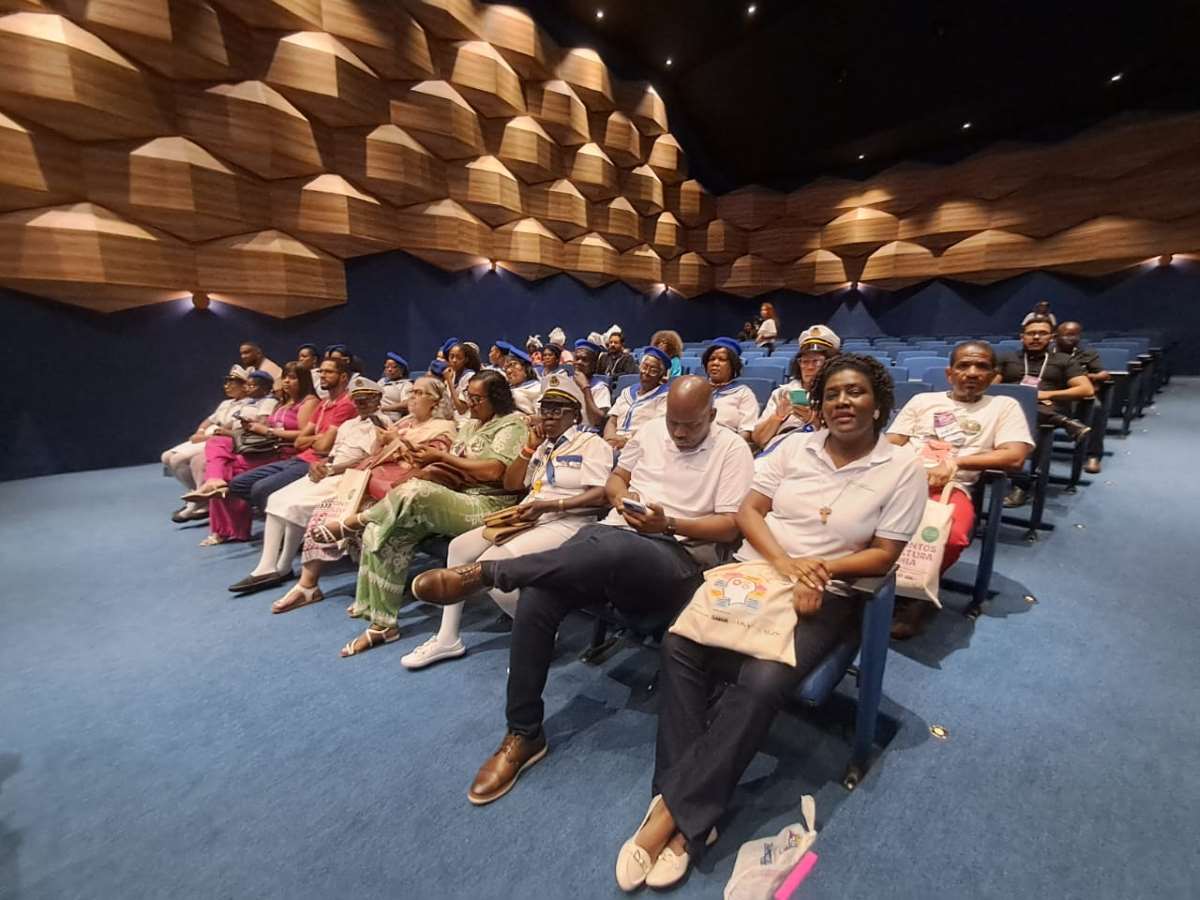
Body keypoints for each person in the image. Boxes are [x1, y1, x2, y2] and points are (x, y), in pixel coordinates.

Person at [613, 355, 926, 892]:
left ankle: (673, 817)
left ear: (878, 401)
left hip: (827, 591)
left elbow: (882, 554)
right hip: (760, 572)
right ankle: (689, 806)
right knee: (681, 644)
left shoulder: (901, 469)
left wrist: (818, 569)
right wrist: (785, 564)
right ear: (819, 404)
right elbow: (749, 513)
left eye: (855, 393)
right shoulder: (794, 448)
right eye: (832, 395)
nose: (843, 403)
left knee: (762, 679)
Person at [411, 376, 756, 806]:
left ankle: (492, 572)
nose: (680, 433)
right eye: (673, 423)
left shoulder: (732, 449)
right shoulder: (651, 431)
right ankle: (524, 733)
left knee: (604, 547)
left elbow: (730, 525)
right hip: (615, 536)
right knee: (540, 593)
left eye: (691, 424)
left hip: (678, 556)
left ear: (714, 415)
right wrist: (624, 500)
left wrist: (665, 523)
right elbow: (616, 480)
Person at [401, 372, 614, 668]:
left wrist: (550, 505)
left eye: (557, 410)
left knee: (491, 570)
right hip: (529, 516)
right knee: (459, 548)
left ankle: (539, 631)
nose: (548, 417)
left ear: (575, 414)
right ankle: (447, 637)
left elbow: (601, 495)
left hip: (570, 520)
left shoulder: (591, 444)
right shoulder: (542, 446)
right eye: (545, 410)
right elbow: (514, 484)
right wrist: (528, 449)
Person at [313, 370, 528, 657]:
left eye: (477, 399)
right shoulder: (469, 425)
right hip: (458, 496)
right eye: (469, 397)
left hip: (490, 505)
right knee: (386, 532)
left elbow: (495, 471)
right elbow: (457, 466)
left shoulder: (512, 424)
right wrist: (421, 457)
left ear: (497, 398)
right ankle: (382, 624)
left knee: (416, 491)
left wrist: (440, 457)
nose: (471, 404)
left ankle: (356, 520)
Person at [271, 376, 459, 614]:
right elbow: (373, 456)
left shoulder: (444, 426)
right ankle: (307, 584)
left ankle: (375, 586)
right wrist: (386, 444)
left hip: (407, 488)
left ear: (434, 400)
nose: (412, 397)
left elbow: (431, 465)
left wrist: (398, 443)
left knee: (366, 519)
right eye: (411, 392)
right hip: (373, 482)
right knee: (329, 509)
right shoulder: (403, 424)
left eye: (419, 393)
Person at [886, 341, 1034, 637]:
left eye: (981, 367)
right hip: (901, 480)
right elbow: (892, 443)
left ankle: (916, 592)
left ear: (993, 375)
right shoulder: (922, 401)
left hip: (951, 488)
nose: (972, 372)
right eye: (964, 366)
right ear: (949, 372)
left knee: (950, 537)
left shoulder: (1003, 407)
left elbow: (1015, 455)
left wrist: (955, 462)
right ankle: (873, 584)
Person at [228, 376, 388, 594]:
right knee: (276, 499)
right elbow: (333, 453)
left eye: (366, 400)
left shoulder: (384, 424)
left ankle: (280, 566)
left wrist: (332, 469)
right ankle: (272, 566)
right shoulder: (348, 425)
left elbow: (371, 459)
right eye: (357, 400)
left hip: (351, 478)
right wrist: (320, 465)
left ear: (378, 399)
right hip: (329, 471)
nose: (361, 404)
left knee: (294, 506)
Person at [199, 362, 319, 546]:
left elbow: (303, 435)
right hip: (267, 448)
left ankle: (226, 523)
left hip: (284, 453)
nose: (286, 381)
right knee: (217, 448)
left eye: (292, 377)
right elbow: (271, 426)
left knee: (226, 471)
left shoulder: (309, 402)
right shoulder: (285, 402)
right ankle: (214, 482)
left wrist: (266, 431)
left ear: (304, 380)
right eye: (285, 376)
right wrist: (255, 427)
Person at [225, 358, 355, 517]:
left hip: (318, 462)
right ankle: (278, 516)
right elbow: (300, 442)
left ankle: (284, 527)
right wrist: (317, 438)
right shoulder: (324, 403)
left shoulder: (346, 404)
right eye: (321, 371)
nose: (322, 375)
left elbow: (324, 446)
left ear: (343, 377)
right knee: (239, 484)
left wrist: (311, 439)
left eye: (328, 372)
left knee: (260, 489)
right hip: (299, 457)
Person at [996, 316, 1094, 507]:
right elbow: (991, 386)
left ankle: (1021, 486)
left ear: (1052, 337)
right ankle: (1065, 423)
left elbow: (1086, 389)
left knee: (1035, 420)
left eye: (1042, 333)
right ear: (1022, 337)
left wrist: (1044, 394)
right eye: (1031, 333)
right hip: (1010, 406)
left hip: (1047, 406)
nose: (1036, 337)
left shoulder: (1064, 360)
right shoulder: (1008, 358)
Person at [161, 366, 250, 523]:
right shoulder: (225, 403)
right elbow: (210, 420)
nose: (227, 386)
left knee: (178, 459)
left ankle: (201, 502)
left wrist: (205, 437)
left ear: (244, 385)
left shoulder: (248, 404)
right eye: (226, 383)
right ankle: (195, 494)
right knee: (167, 456)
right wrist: (201, 431)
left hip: (222, 439)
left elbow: (231, 428)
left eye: (232, 383)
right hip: (209, 436)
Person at [752, 325, 840, 452]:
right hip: (779, 452)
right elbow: (759, 439)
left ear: (830, 363)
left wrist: (814, 421)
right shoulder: (782, 393)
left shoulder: (839, 395)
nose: (809, 367)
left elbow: (846, 444)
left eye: (816, 361)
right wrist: (777, 417)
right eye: (804, 361)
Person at [1054, 321, 1111, 474]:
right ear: (1056, 336)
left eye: (1074, 335)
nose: (1070, 338)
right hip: (1052, 393)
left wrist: (1085, 376)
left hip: (1078, 395)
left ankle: (1093, 455)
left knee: (1096, 408)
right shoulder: (1047, 351)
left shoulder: (1087, 353)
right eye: (1066, 334)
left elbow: (1103, 374)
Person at [603, 347, 670, 450]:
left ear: (661, 375)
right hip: (613, 443)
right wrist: (609, 439)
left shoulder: (665, 397)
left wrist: (626, 442)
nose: (646, 372)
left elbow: (655, 430)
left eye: (653, 370)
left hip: (640, 447)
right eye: (644, 367)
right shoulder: (627, 392)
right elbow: (612, 420)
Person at [702, 337, 759, 441]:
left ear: (733, 365)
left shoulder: (743, 393)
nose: (715, 363)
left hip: (726, 444)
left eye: (722, 359)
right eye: (711, 359)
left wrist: (731, 449)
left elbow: (746, 430)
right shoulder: (697, 389)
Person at [570, 338, 612, 428]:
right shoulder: (565, 382)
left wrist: (585, 388)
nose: (579, 362)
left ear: (594, 364)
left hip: (587, 433)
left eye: (584, 359)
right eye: (577, 358)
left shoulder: (600, 388)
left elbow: (598, 421)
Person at [499, 343, 543, 415]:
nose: (508, 371)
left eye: (513, 365)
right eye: (506, 368)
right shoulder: (505, 390)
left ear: (525, 368)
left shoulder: (538, 389)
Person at [443, 340, 482, 419]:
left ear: (466, 360)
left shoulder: (470, 376)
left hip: (464, 420)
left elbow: (461, 409)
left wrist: (449, 382)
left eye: (459, 357)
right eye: (452, 356)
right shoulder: (452, 374)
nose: (454, 360)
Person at [380, 352, 413, 421]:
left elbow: (406, 404)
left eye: (394, 367)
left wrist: (383, 408)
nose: (389, 369)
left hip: (391, 418)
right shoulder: (381, 381)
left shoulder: (406, 384)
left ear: (402, 370)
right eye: (387, 367)